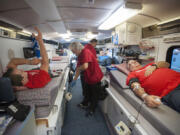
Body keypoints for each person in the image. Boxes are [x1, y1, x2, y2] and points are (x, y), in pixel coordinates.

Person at [69, 42, 103, 116]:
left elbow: (84, 66)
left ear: (77, 49)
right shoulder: (79, 55)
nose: (74, 53)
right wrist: (74, 80)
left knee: (94, 94)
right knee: (87, 91)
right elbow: (78, 69)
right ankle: (85, 103)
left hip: (94, 76)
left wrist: (78, 68)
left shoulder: (86, 52)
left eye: (74, 52)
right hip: (88, 76)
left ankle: (92, 109)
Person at [78, 39, 98, 108]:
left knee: (86, 87)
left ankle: (86, 101)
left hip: (84, 71)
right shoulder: (91, 49)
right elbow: (94, 60)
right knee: (90, 88)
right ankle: (88, 102)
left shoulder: (85, 47)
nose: (95, 45)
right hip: (89, 71)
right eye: (95, 44)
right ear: (94, 43)